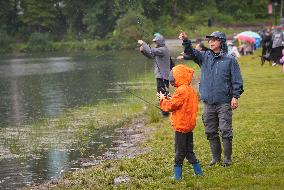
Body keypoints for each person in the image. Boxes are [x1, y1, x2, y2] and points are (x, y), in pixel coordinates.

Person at [179, 31, 244, 167]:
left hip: (224, 102)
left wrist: (235, 96)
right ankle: (216, 158)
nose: (211, 42)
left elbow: (237, 81)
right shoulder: (204, 57)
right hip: (208, 103)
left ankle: (227, 158)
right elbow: (190, 52)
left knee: (225, 130)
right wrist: (186, 40)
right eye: (209, 40)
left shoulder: (230, 59)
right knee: (210, 130)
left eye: (214, 40)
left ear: (221, 42)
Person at [158, 64, 203, 180]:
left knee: (179, 151)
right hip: (188, 126)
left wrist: (162, 99)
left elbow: (171, 106)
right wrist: (169, 97)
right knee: (189, 151)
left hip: (181, 127)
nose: (172, 82)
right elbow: (179, 103)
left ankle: (177, 176)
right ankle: (198, 172)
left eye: (173, 79)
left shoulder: (181, 91)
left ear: (178, 77)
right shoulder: (189, 89)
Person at [138, 34, 171, 116]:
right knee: (161, 93)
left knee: (162, 94)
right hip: (161, 76)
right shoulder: (160, 50)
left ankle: (165, 112)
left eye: (156, 42)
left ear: (160, 42)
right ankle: (165, 111)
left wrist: (143, 43)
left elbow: (150, 50)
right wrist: (143, 52)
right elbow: (151, 55)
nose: (155, 43)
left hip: (162, 76)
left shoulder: (163, 50)